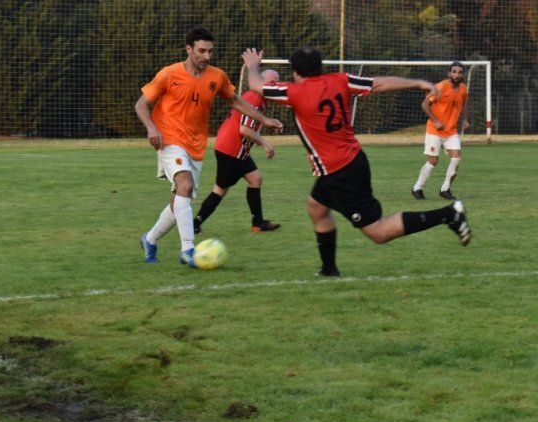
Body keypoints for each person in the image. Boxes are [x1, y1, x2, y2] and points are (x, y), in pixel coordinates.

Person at [243, 47, 471, 278]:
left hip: (339, 171)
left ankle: (449, 214)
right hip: (352, 161)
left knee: (379, 231)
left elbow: (255, 85)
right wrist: (418, 83)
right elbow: (379, 83)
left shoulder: (295, 92)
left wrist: (252, 65)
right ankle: (329, 270)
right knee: (316, 207)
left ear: (295, 71)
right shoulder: (340, 80)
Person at [135, 26, 284, 266]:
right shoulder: (169, 74)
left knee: (179, 200)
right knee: (185, 185)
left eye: (210, 51)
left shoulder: (216, 77)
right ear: (189, 49)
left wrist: (264, 120)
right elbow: (141, 104)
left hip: (195, 146)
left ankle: (150, 239)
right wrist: (151, 128)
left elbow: (235, 101)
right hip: (169, 140)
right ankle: (188, 250)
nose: (207, 56)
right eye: (202, 51)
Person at [193, 69, 282, 235]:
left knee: (255, 179)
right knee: (220, 190)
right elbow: (245, 129)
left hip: (235, 149)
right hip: (232, 150)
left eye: (277, 83)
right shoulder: (255, 98)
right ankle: (194, 224)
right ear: (263, 82)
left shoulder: (258, 97)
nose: (276, 86)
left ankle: (258, 223)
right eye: (273, 83)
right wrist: (265, 144)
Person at [412, 61, 470, 200]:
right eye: (454, 72)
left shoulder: (463, 89)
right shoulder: (440, 87)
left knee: (456, 158)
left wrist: (465, 120)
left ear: (463, 75)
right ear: (449, 73)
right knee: (433, 161)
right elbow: (425, 104)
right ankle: (417, 188)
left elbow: (464, 104)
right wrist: (436, 121)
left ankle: (445, 190)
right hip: (435, 130)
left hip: (451, 131)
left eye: (460, 72)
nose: (456, 75)